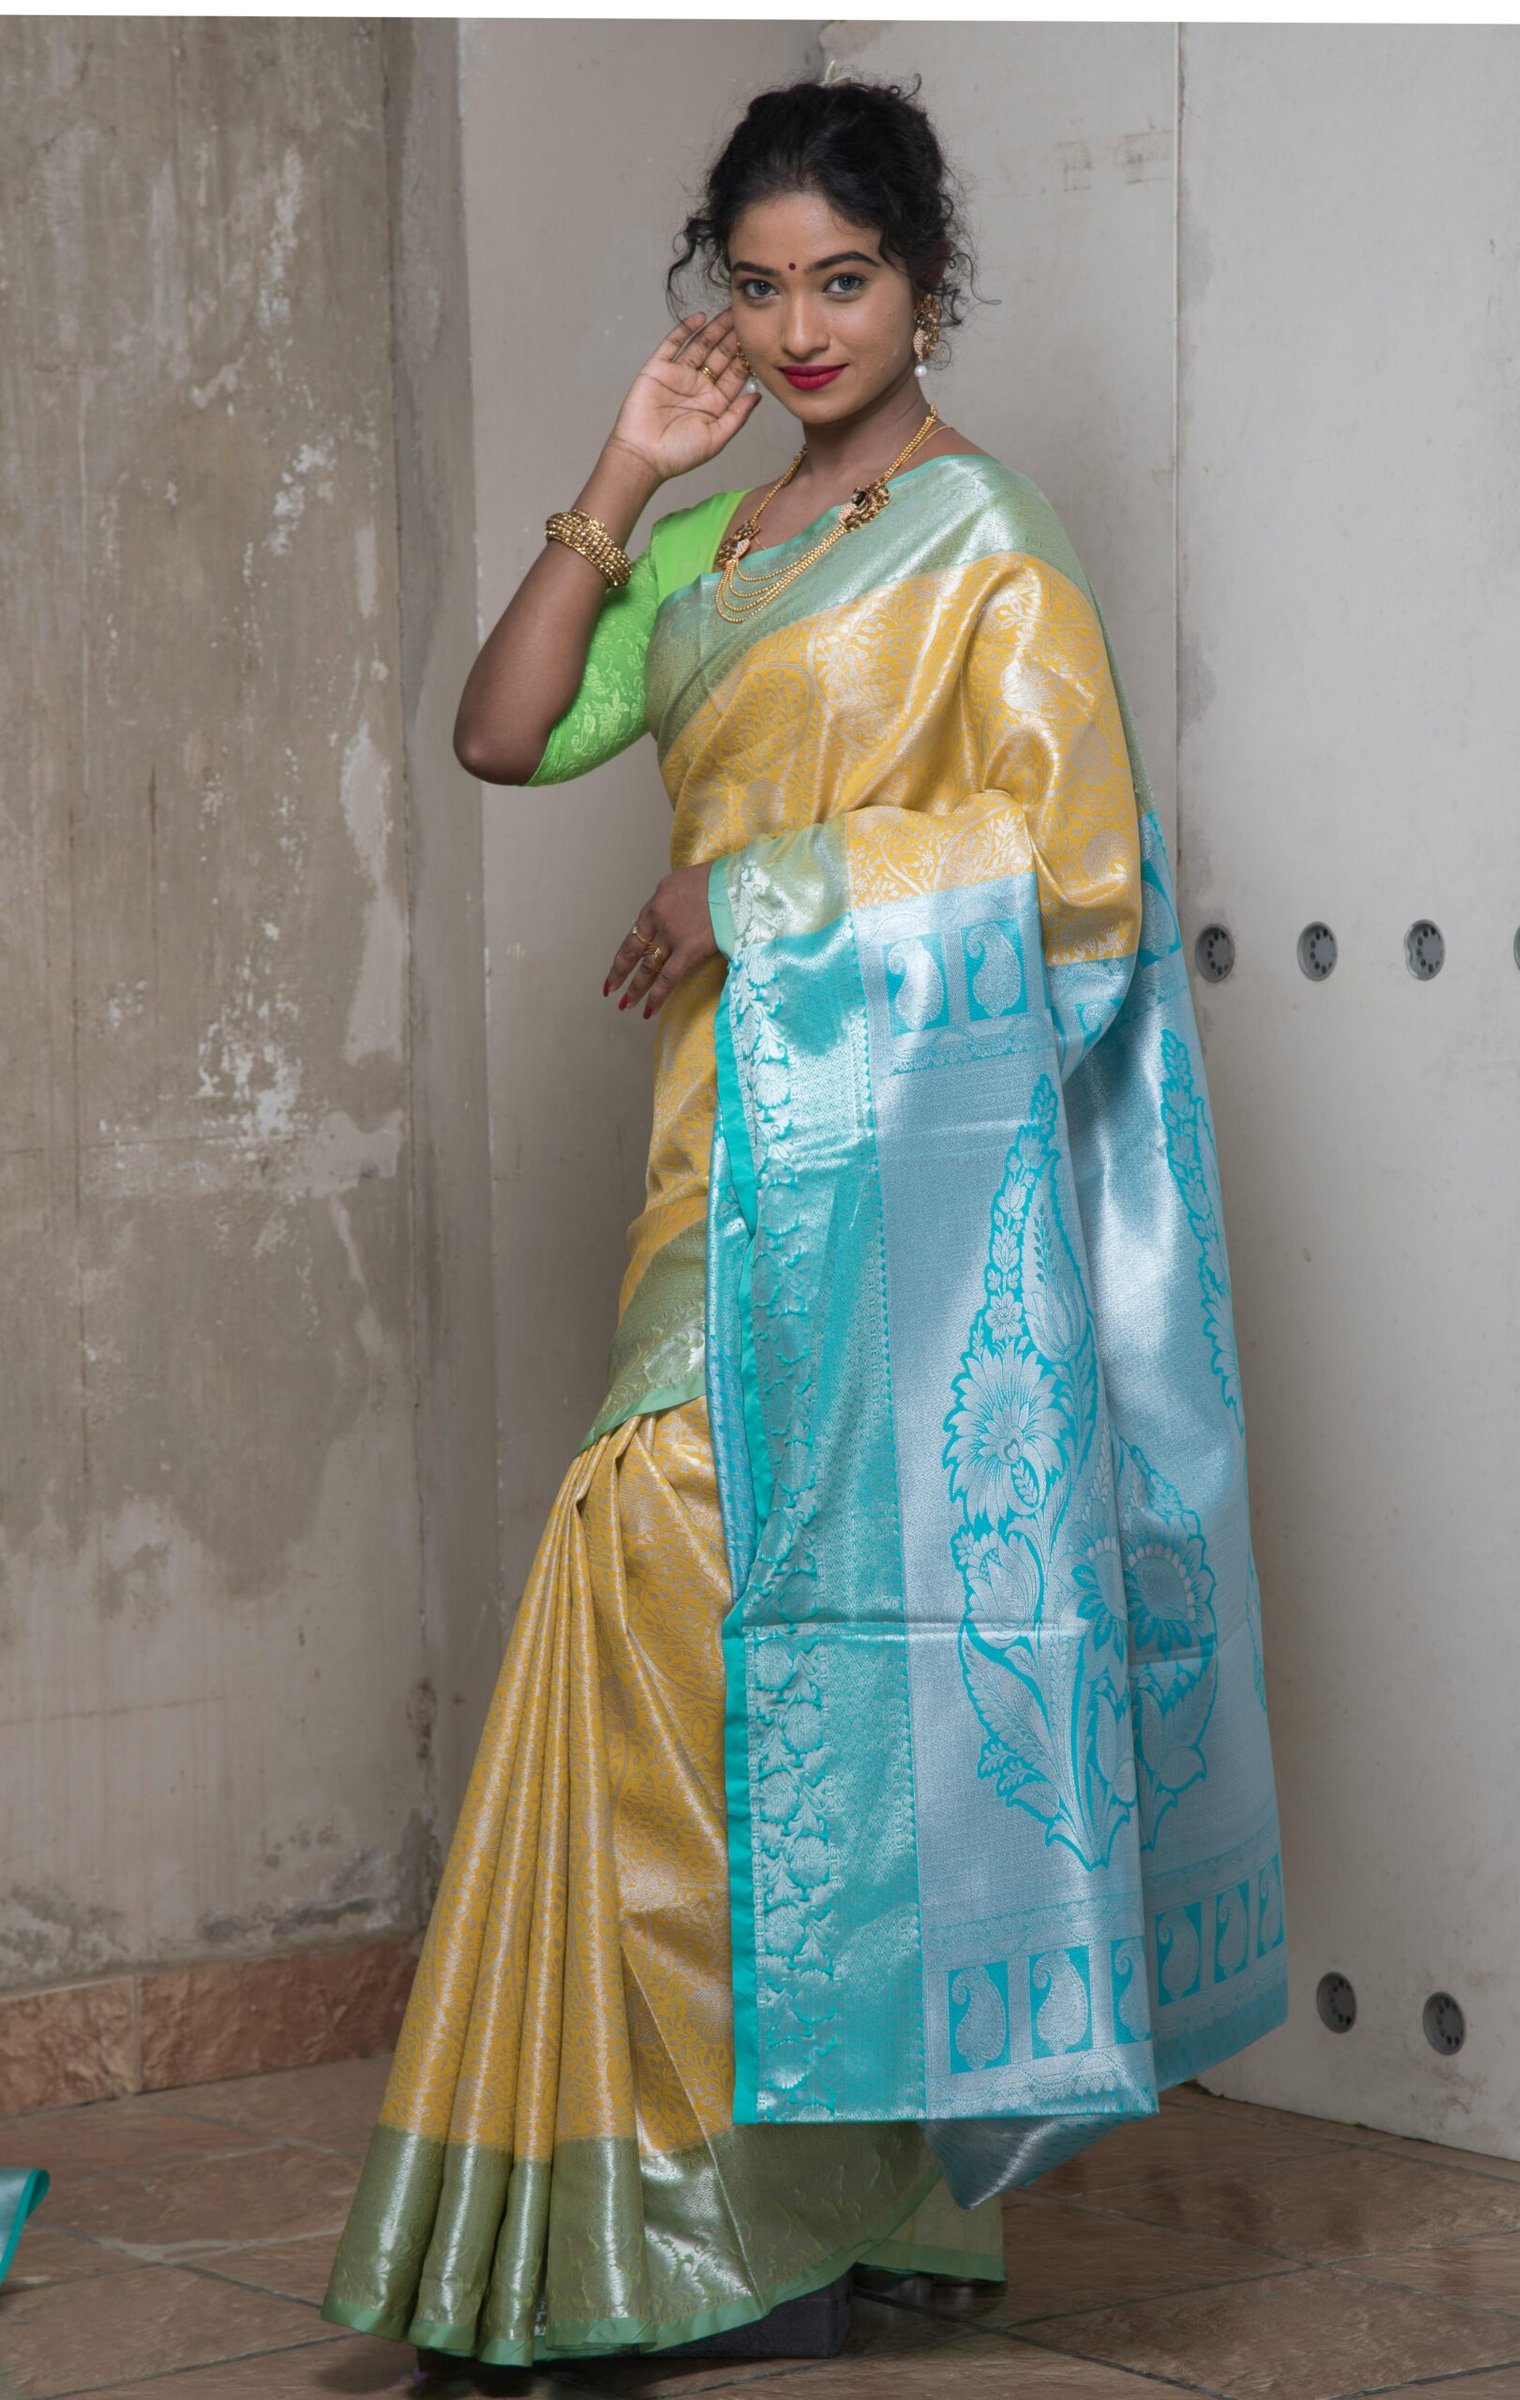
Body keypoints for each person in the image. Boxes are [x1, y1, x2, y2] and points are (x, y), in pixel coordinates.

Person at [321, 71, 1285, 2370]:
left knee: (738, 1645)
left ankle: (743, 2220)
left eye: (837, 278)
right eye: (751, 289)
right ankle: (783, 2211)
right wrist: (627, 475)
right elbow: (496, 729)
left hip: (899, 1204)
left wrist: (754, 886)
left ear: (922, 278)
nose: (795, 325)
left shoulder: (987, 547)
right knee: (740, 1670)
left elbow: (1079, 901)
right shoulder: (721, 553)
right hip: (707, 1172)